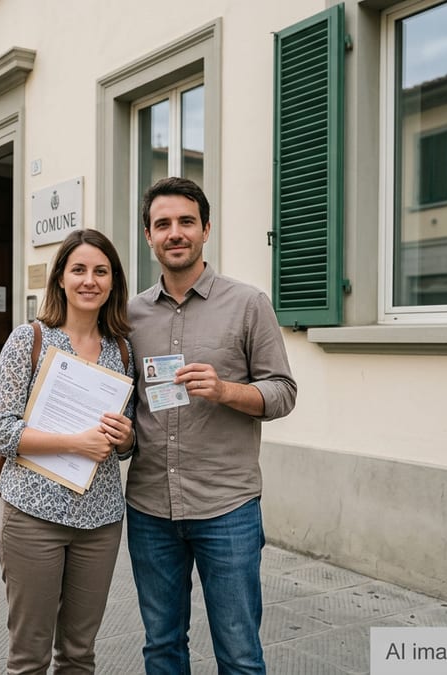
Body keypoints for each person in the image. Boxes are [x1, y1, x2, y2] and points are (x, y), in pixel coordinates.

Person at [126, 177, 297, 674]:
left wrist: (224, 390)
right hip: (150, 507)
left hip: (228, 508)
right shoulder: (129, 314)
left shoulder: (248, 304)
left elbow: (283, 392)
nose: (174, 232)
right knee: (161, 647)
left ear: (206, 229)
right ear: (148, 236)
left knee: (240, 654)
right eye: (162, 224)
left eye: (185, 222)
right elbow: (126, 405)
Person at [0, 228, 136, 675]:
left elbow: (127, 444)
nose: (90, 280)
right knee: (29, 658)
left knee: (79, 655)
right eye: (79, 270)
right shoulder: (28, 340)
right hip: (33, 517)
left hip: (100, 522)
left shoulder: (122, 351)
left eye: (101, 271)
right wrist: (74, 442)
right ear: (61, 280)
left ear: (113, 282)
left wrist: (126, 439)